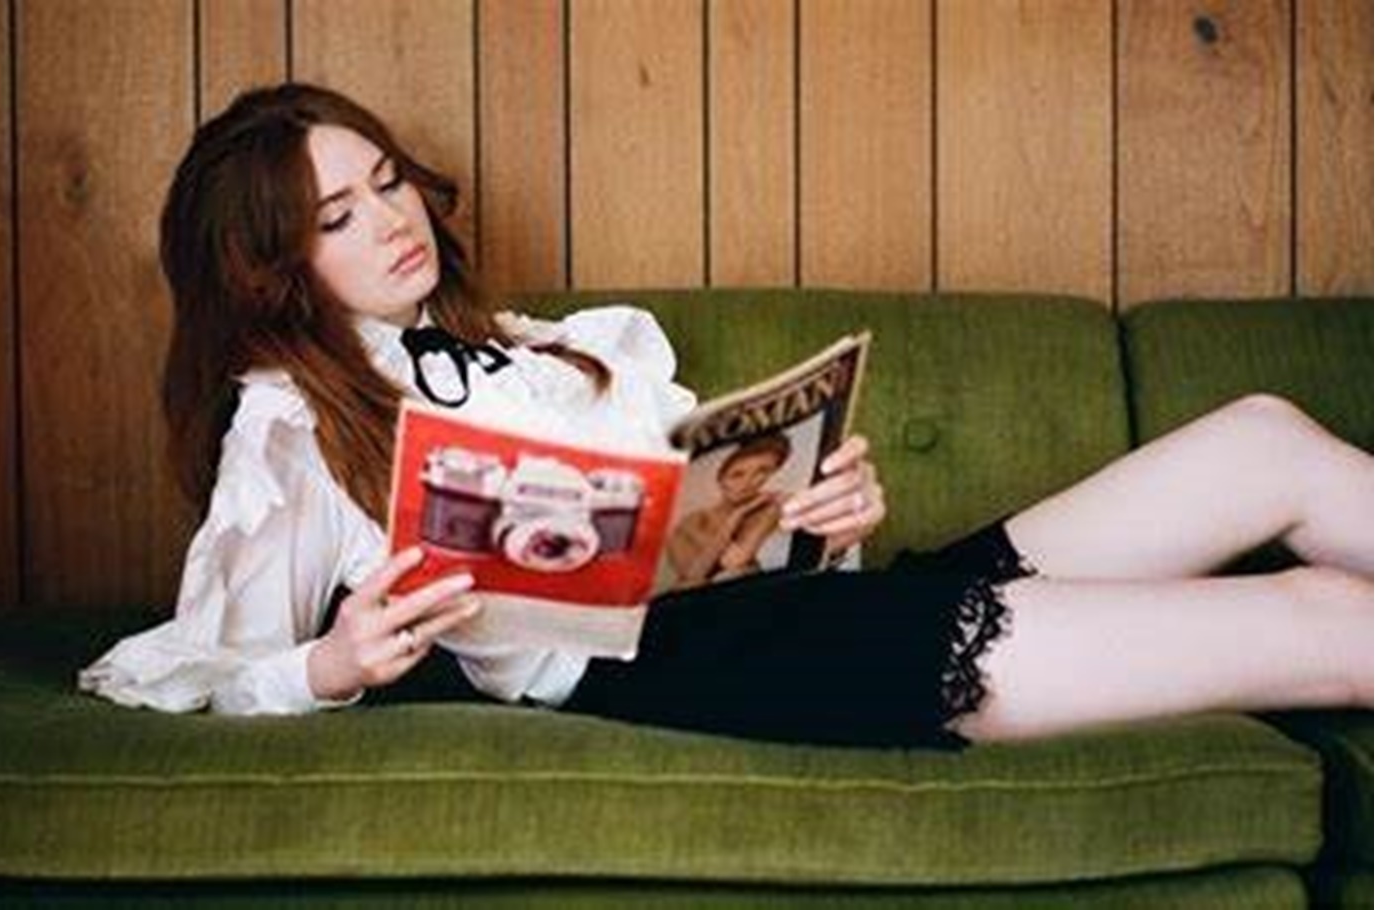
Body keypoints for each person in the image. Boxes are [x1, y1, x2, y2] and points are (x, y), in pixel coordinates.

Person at [79, 82, 1373, 748]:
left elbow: (710, 531)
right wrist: (337, 661)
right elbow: (185, 665)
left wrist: (820, 521)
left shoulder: (552, 352)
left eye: (387, 180)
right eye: (337, 215)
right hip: (690, 669)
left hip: (793, 611)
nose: (392, 218)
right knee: (1328, 621)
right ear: (273, 267)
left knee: (1262, 433)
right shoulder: (294, 426)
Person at [665, 432, 795, 587]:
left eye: (762, 471)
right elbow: (692, 576)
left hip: (755, 590)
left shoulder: (770, 509)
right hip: (701, 595)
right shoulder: (693, 521)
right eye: (738, 474)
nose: (748, 482)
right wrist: (736, 516)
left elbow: (734, 561)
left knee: (738, 572)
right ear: (721, 477)